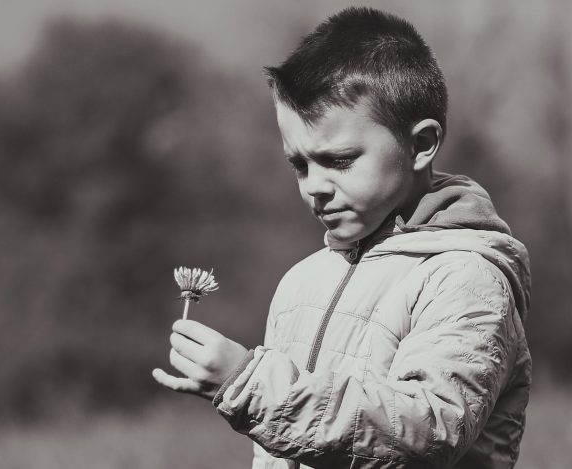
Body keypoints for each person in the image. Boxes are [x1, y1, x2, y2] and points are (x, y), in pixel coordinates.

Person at [152, 6, 531, 468]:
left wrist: (248, 385)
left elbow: (427, 434)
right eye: (300, 164)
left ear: (421, 144)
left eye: (340, 160)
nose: (315, 185)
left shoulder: (466, 277)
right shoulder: (299, 282)